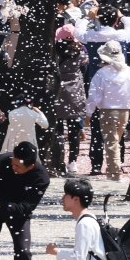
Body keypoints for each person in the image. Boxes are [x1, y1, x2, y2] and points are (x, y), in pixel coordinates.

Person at [74, 5, 130, 175]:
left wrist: (88, 17)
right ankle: (119, 161)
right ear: (116, 20)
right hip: (121, 86)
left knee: (97, 128)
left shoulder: (92, 36)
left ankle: (96, 164)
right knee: (119, 131)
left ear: (99, 18)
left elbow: (78, 32)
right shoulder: (121, 35)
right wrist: (122, 15)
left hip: (96, 80)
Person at [85, 41, 130, 181]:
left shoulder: (101, 73)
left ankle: (114, 172)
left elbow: (94, 96)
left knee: (111, 142)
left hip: (107, 111)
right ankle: (115, 168)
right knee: (116, 141)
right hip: (124, 111)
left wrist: (88, 114)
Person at [53, 25, 88, 175]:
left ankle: (58, 159)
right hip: (74, 93)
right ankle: (72, 162)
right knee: (74, 131)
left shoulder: (54, 51)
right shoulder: (80, 51)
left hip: (58, 92)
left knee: (58, 129)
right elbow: (85, 70)